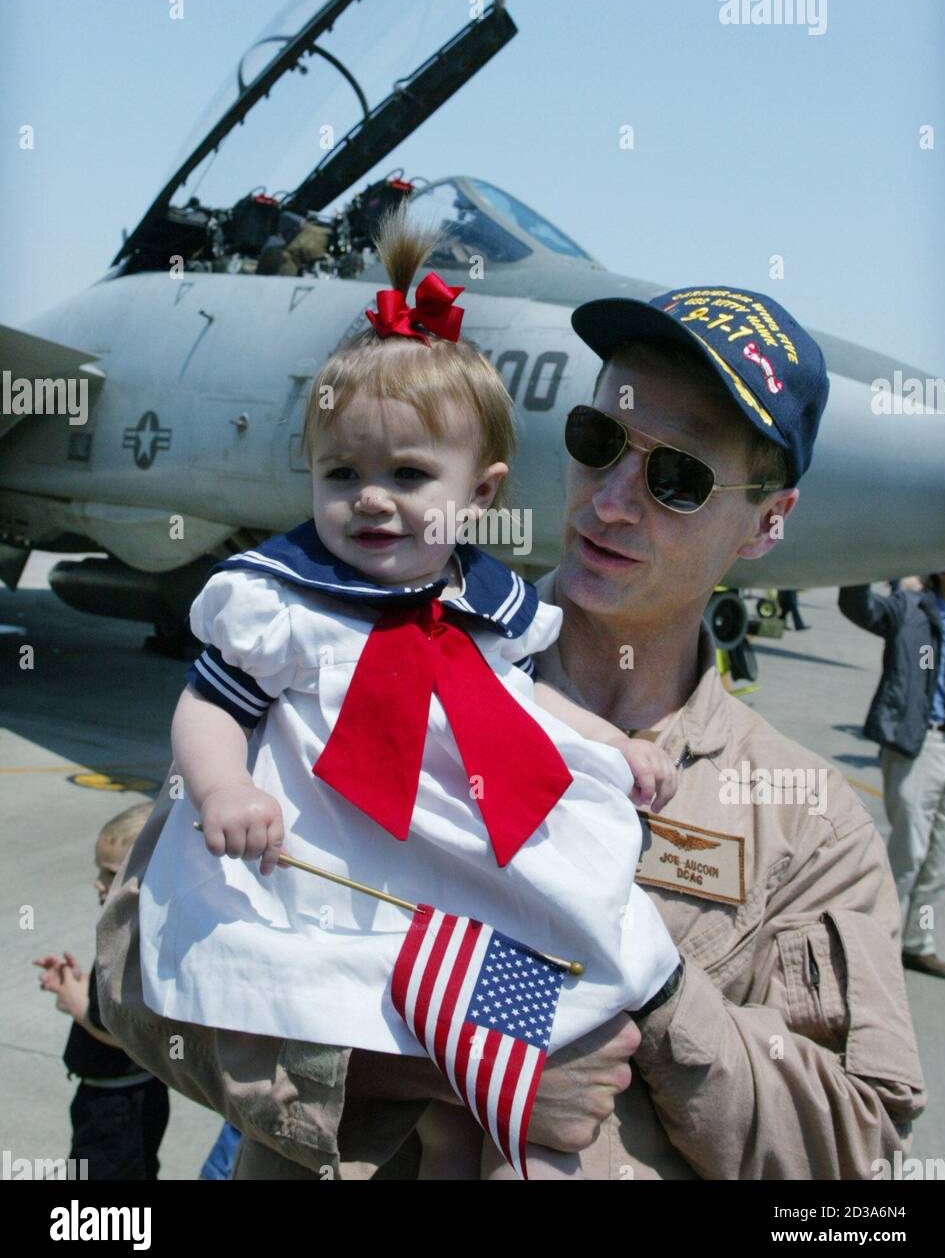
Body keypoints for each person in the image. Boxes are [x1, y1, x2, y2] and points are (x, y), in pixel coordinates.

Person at [97, 284, 927, 1180]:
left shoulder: (805, 821)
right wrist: (456, 1062)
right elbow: (137, 969)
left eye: (677, 476)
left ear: (768, 522)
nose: (610, 501)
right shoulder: (355, 658)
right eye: (599, 441)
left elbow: (852, 1144)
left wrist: (654, 993)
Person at [134, 207, 682, 1178]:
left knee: (493, 1111)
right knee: (302, 1122)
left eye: (409, 473)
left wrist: (611, 742)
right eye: (342, 471)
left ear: (481, 493)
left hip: (463, 889)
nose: (371, 497)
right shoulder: (284, 603)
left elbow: (517, 704)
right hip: (327, 882)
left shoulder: (484, 604)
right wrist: (223, 789)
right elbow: (210, 702)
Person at [35, 802, 169, 1180]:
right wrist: (77, 984)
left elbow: (131, 1032)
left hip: (119, 1105)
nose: (98, 881)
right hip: (118, 1097)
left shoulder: (137, 942)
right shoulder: (127, 930)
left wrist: (77, 1006)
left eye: (109, 873)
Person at [839, 570, 945, 978]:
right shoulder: (910, 609)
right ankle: (879, 946)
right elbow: (858, 606)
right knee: (909, 853)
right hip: (918, 745)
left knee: (942, 861)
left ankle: (917, 942)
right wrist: (869, 559)